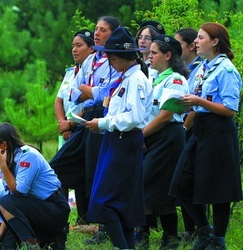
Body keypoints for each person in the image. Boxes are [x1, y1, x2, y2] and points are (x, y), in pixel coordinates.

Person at [169, 22, 242, 250]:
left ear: (215, 41)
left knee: (219, 188)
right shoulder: (203, 68)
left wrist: (199, 102)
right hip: (199, 128)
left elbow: (230, 109)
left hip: (219, 129)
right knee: (180, 184)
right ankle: (204, 231)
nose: (196, 42)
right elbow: (194, 95)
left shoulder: (226, 69)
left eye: (200, 38)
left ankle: (217, 240)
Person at [49, 16, 121, 245]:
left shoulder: (117, 59)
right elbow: (72, 92)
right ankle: (59, 221)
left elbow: (107, 93)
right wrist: (89, 91)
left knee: (99, 172)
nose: (97, 33)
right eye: (96, 29)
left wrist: (88, 91)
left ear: (114, 33)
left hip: (104, 116)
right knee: (58, 166)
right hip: (86, 117)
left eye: (103, 30)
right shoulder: (93, 60)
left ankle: (104, 226)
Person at [84, 26, 153, 250]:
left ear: (124, 57)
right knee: (119, 202)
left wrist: (103, 123)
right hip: (114, 141)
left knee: (103, 201)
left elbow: (134, 117)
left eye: (112, 58)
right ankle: (126, 246)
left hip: (125, 142)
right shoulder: (124, 79)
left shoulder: (136, 80)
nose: (110, 64)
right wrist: (102, 126)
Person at [136, 34, 190, 250]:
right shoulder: (153, 77)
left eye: (154, 52)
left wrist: (141, 135)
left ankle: (169, 237)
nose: (149, 56)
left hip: (167, 136)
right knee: (149, 187)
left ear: (168, 55)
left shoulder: (175, 80)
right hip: (152, 134)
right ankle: (146, 235)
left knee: (151, 186)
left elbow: (167, 114)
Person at [0, 122, 70, 250]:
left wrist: (3, 166)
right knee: (6, 246)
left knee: (3, 201)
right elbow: (10, 202)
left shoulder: (28, 155)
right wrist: (0, 232)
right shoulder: (8, 161)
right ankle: (43, 239)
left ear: (4, 145)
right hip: (35, 209)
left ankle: (32, 245)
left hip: (54, 208)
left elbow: (19, 191)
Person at [54, 28, 94, 228]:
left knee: (80, 173)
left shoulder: (94, 72)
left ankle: (86, 217)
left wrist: (70, 124)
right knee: (65, 171)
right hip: (67, 130)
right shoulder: (71, 72)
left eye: (79, 45)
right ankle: (65, 217)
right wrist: (63, 124)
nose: (74, 50)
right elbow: (59, 100)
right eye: (73, 46)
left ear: (91, 48)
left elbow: (92, 102)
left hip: (83, 127)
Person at [174, 27, 203, 242]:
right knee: (182, 179)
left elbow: (194, 104)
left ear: (191, 45)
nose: (175, 50)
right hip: (183, 128)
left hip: (192, 129)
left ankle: (198, 228)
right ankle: (190, 227)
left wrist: (184, 127)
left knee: (192, 179)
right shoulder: (180, 69)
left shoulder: (199, 69)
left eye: (179, 45)